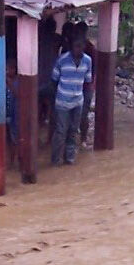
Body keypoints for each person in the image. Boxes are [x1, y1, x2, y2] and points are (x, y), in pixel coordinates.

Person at [50, 29, 93, 166]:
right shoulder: (62, 60)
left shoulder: (87, 61)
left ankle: (69, 159)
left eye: (81, 47)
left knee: (73, 130)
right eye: (76, 46)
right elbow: (54, 79)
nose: (79, 50)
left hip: (78, 101)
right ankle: (56, 160)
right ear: (71, 46)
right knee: (61, 131)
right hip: (62, 101)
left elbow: (88, 80)